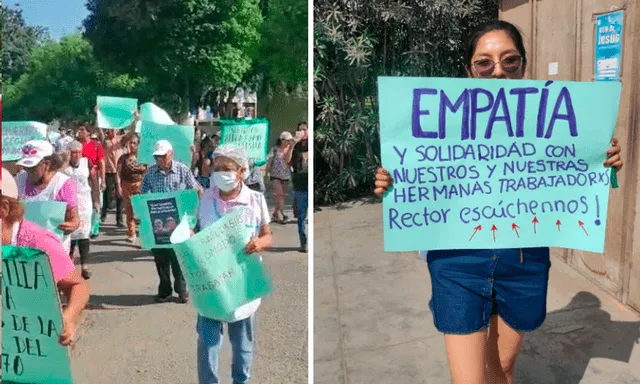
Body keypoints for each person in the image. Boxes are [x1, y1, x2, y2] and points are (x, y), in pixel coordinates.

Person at [373, 20, 625, 384]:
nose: (498, 72)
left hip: (523, 261)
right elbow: (417, 177)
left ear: (523, 65)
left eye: (510, 61)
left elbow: (575, 175)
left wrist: (603, 161)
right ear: (468, 69)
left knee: (503, 369)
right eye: (484, 63)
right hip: (457, 262)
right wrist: (392, 184)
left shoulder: (548, 125)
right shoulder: (440, 124)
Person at [196, 144, 273, 384]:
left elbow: (268, 235)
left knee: (242, 349)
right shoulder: (204, 199)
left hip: (243, 286)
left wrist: (259, 244)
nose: (221, 173)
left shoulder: (255, 200)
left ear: (241, 171)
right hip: (211, 284)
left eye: (227, 168)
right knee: (208, 346)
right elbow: (192, 230)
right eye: (217, 168)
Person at [1, 168, 90, 346]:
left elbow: (77, 285)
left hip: (26, 345)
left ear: (4, 209)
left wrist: (69, 317)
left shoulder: (39, 242)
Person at [140, 140, 203, 303]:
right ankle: (165, 291)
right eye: (157, 157)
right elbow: (143, 194)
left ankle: (182, 289)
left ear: (171, 154)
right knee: (161, 259)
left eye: (162, 156)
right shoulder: (150, 173)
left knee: (178, 257)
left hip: (179, 222)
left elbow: (196, 190)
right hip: (157, 223)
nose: (159, 160)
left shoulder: (182, 170)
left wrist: (193, 216)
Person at [15, 140, 80, 254]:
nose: (28, 170)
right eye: (25, 166)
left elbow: (74, 219)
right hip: (24, 250)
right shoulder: (19, 180)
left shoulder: (63, 184)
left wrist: (71, 225)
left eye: (33, 166)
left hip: (54, 251)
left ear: (47, 163)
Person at [98, 116, 138, 227]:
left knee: (120, 195)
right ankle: (104, 214)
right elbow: (99, 129)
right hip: (108, 171)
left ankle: (119, 220)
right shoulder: (104, 141)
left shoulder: (121, 140)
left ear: (117, 130)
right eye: (109, 129)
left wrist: (135, 119)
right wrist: (98, 114)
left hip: (120, 170)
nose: (110, 131)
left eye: (113, 129)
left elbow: (131, 132)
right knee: (107, 194)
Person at [65, 141, 95, 279]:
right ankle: (68, 264)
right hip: (68, 204)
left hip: (84, 203)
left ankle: (85, 266)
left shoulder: (86, 163)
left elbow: (94, 180)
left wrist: (97, 200)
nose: (75, 155)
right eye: (73, 152)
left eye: (78, 152)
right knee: (69, 234)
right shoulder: (64, 166)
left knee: (84, 234)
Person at [116, 134, 147, 243]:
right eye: (131, 143)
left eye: (135, 143)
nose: (132, 145)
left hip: (140, 185)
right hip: (126, 185)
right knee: (129, 210)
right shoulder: (123, 158)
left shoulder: (144, 158)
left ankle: (143, 235)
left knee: (140, 211)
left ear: (139, 145)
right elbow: (118, 173)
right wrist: (119, 186)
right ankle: (132, 233)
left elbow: (147, 172)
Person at [77, 124, 105, 238]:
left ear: (89, 132)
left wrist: (103, 180)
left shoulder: (96, 145)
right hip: (80, 180)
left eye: (82, 130)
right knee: (82, 203)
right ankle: (83, 226)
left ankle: (94, 227)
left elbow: (101, 163)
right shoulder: (77, 146)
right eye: (79, 130)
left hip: (94, 178)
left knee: (96, 202)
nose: (80, 132)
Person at [266, 131, 295, 223]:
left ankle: (275, 213)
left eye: (290, 140)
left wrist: (290, 148)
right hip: (275, 175)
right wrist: (266, 173)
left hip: (285, 175)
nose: (288, 142)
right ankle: (284, 214)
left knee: (281, 196)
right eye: (287, 140)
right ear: (282, 140)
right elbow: (270, 161)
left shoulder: (290, 150)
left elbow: (288, 161)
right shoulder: (274, 149)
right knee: (279, 194)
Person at [290, 122, 309, 252]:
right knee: (302, 216)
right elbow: (287, 162)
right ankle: (304, 243)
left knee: (307, 217)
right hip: (299, 184)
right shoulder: (294, 146)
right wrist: (293, 144)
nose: (302, 132)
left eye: (305, 129)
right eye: (300, 130)